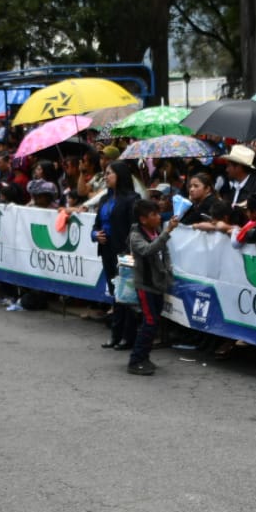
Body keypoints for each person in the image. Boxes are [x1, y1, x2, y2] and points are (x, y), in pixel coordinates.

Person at [125, 198, 179, 376]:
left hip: (158, 284)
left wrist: (167, 272)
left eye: (158, 213)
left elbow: (165, 252)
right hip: (145, 285)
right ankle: (135, 360)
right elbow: (149, 250)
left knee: (154, 322)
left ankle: (145, 356)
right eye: (153, 215)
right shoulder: (136, 236)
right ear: (143, 219)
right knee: (149, 322)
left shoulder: (155, 231)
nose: (158, 217)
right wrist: (167, 231)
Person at [95, 160, 141, 350]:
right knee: (115, 293)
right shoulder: (104, 200)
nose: (105, 177)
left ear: (120, 176)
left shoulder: (132, 199)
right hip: (106, 250)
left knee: (126, 294)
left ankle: (127, 336)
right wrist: (95, 234)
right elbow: (96, 225)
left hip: (124, 251)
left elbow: (134, 226)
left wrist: (130, 250)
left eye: (109, 173)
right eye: (105, 173)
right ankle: (115, 334)